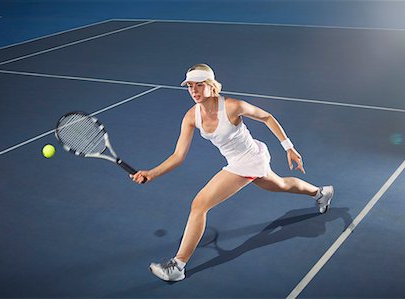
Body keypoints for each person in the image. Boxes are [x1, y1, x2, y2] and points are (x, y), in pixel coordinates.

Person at [131, 64, 334, 282]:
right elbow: (178, 156)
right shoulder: (191, 116)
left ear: (211, 86)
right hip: (241, 159)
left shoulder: (232, 106)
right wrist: (152, 173)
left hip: (248, 159)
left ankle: (178, 265)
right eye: (190, 86)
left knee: (199, 205)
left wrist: (289, 147)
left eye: (199, 85)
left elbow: (266, 117)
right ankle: (320, 192)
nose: (194, 91)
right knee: (280, 184)